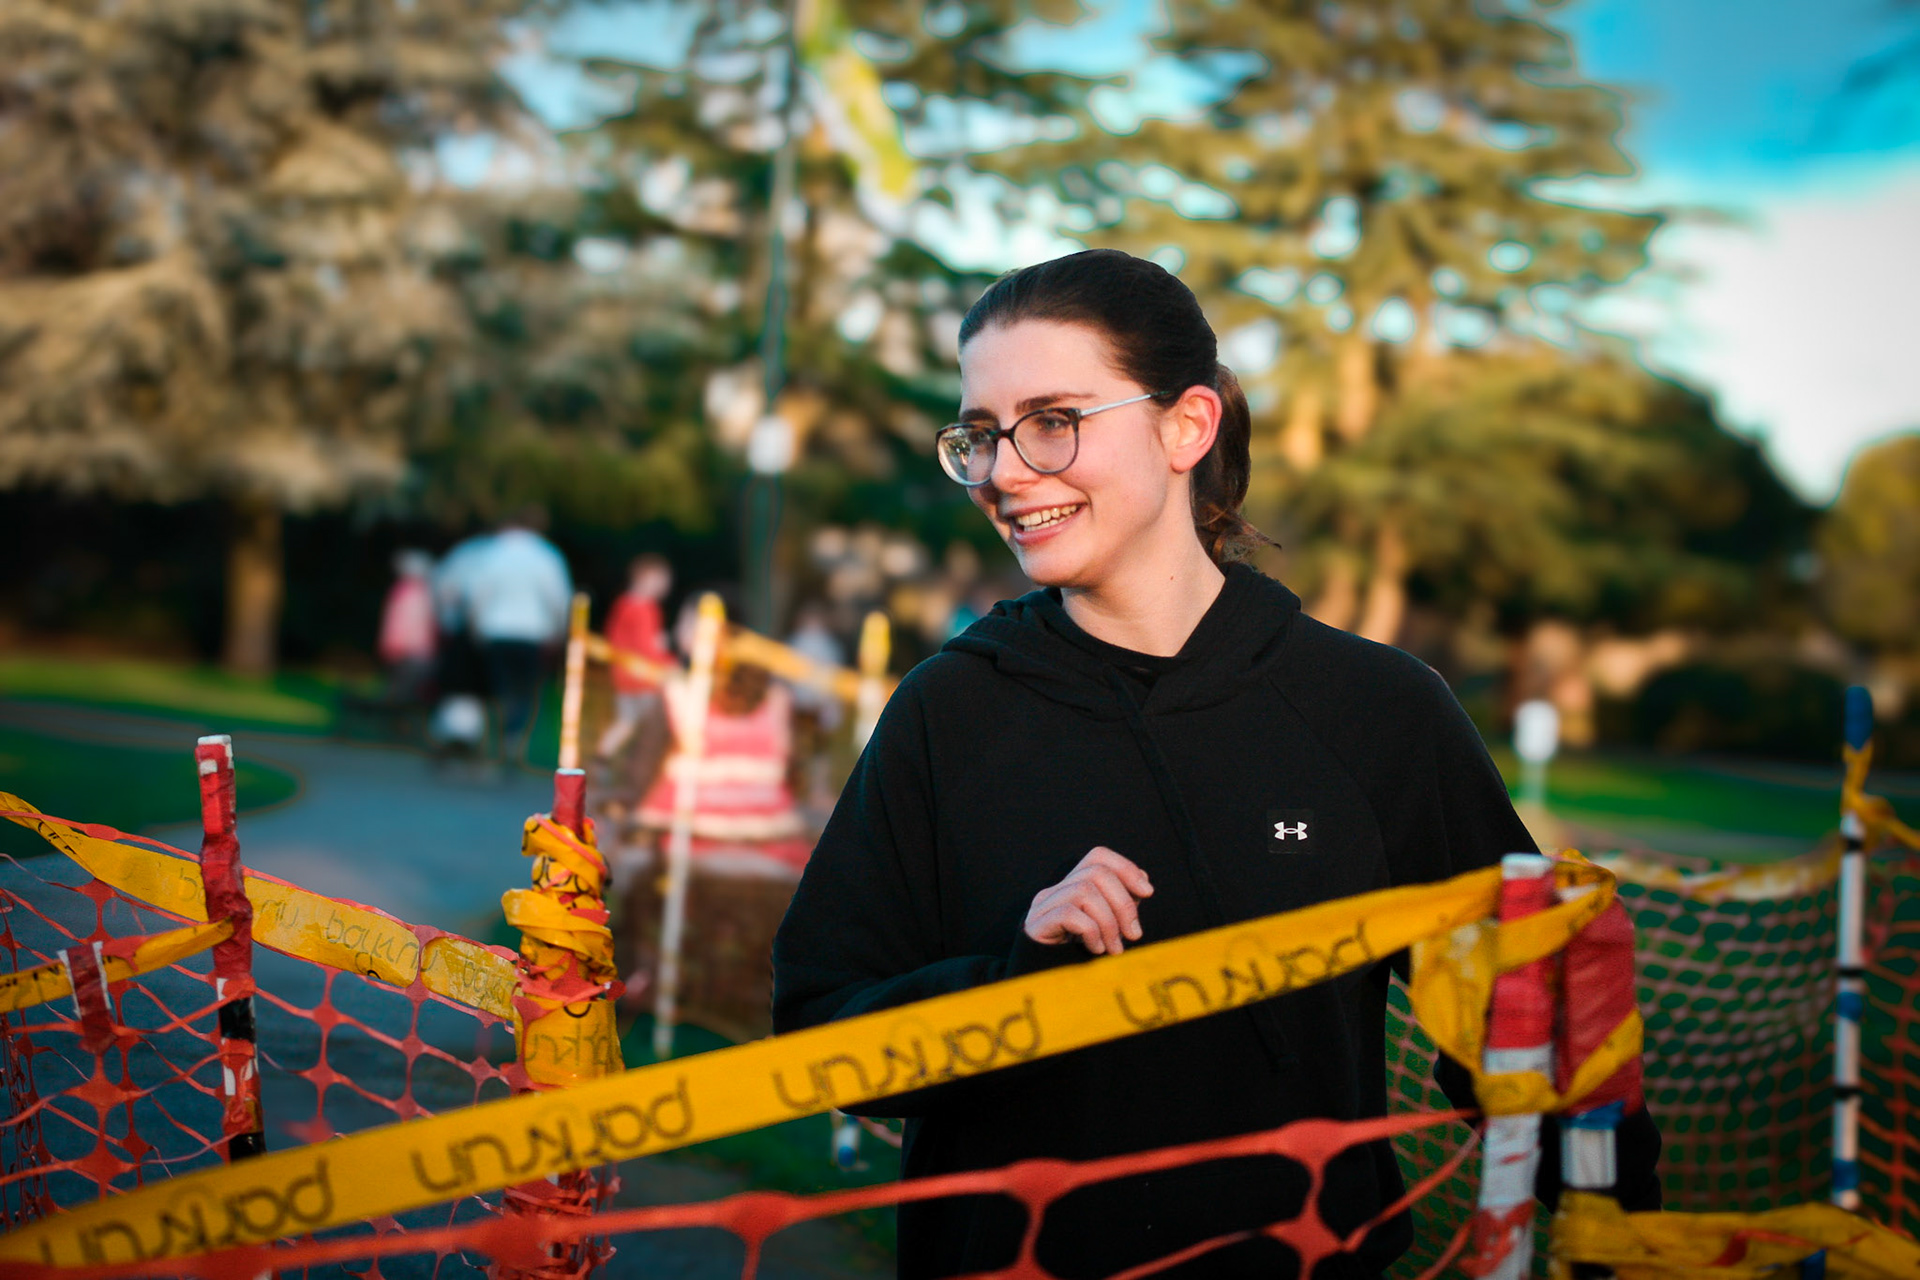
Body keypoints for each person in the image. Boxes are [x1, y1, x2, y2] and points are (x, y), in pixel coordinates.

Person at [770, 249, 1660, 1279]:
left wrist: (1621, 1225)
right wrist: (1015, 976)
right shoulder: (947, 708)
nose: (1006, 470)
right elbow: (819, 1034)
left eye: (1054, 420)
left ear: (1186, 426)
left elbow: (1529, 1029)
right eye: (980, 433)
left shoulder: (1380, 709)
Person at [464, 507, 572, 758]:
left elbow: (477, 593)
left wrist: (475, 625)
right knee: (525, 690)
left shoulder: (492, 552)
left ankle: (492, 739)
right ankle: (513, 740)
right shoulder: (547, 556)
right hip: (532, 633)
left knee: (497, 687)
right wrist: (558, 630)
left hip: (495, 630)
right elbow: (558, 599)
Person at [596, 554, 674, 797]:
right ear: (646, 578)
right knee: (649, 730)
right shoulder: (645, 608)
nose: (665, 587)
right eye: (662, 580)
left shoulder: (623, 604)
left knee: (627, 723)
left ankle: (602, 760)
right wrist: (668, 664)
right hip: (644, 678)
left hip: (624, 675)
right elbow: (646, 645)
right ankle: (638, 775)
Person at [376, 550, 437, 708]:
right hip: (415, 651)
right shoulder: (421, 593)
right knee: (408, 691)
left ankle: (396, 723)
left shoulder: (405, 592)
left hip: (408, 650)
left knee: (403, 690)